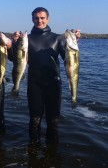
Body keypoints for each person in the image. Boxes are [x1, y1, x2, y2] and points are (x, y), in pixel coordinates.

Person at [11, 7, 80, 143]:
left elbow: (69, 59)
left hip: (53, 84)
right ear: (32, 19)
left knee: (53, 122)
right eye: (36, 18)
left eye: (42, 18)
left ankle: (52, 155)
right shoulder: (26, 39)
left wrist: (75, 41)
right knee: (34, 120)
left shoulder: (57, 38)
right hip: (34, 85)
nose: (39, 20)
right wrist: (14, 43)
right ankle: (33, 153)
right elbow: (15, 60)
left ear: (47, 19)